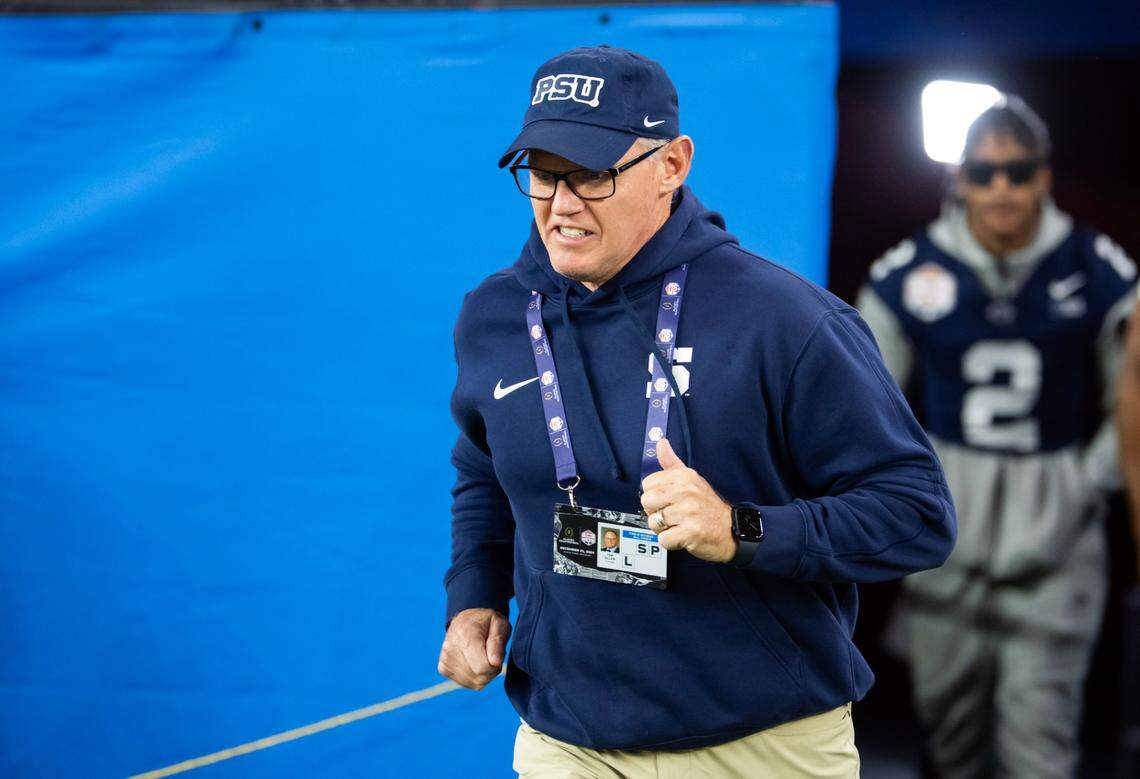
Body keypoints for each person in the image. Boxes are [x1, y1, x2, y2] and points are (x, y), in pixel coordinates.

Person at [439, 45, 956, 777]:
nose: (561, 203)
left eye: (590, 173)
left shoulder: (785, 320)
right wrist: (473, 596)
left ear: (672, 165)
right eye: (543, 174)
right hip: (569, 739)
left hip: (761, 745)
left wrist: (741, 528)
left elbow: (917, 514)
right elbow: (483, 469)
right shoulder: (494, 316)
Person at [856, 95, 1136, 778]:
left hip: (1055, 550)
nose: (1001, 188)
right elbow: (867, 406)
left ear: (1044, 175)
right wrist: (918, 488)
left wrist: (1086, 480)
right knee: (950, 746)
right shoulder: (908, 274)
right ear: (959, 178)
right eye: (984, 173)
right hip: (949, 550)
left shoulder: (1096, 268)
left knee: (1039, 749)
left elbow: (1131, 398)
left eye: (1018, 171)